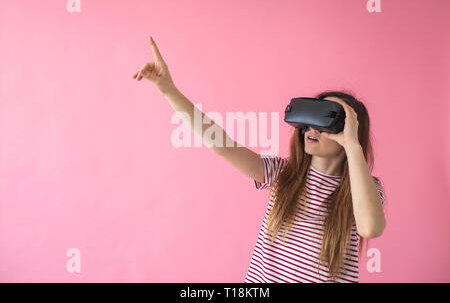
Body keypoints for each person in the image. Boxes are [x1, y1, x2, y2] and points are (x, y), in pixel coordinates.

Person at [133, 37, 386, 283]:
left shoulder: (366, 190)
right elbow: (220, 144)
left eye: (327, 119)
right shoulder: (281, 173)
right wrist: (169, 91)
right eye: (311, 117)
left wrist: (352, 145)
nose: (313, 127)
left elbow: (370, 228)